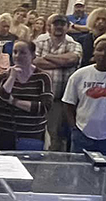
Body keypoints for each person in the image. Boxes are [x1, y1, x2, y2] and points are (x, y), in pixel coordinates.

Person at [0, 40, 52, 151]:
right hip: (2, 133)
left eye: (23, 52)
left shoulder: (43, 77)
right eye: (15, 52)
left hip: (31, 135)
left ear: (33, 55)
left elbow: (44, 107)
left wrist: (14, 101)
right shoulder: (2, 77)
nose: (17, 56)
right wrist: (12, 78)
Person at [34, 15, 83, 152]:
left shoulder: (74, 45)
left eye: (62, 24)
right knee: (37, 132)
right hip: (39, 98)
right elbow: (34, 62)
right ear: (50, 26)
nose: (59, 27)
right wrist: (61, 62)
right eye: (56, 24)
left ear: (67, 27)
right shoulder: (40, 42)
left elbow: (71, 60)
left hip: (60, 99)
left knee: (56, 134)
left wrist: (47, 57)